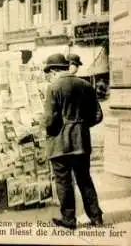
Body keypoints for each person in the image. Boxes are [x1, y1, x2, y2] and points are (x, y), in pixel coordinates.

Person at [42, 53, 104, 230]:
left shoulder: (53, 87)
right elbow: (98, 115)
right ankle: (96, 217)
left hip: (60, 143)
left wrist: (48, 129)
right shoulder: (85, 85)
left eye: (48, 72)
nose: (48, 75)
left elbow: (49, 120)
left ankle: (69, 219)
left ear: (54, 70)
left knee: (63, 181)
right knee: (85, 179)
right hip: (81, 142)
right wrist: (81, 126)